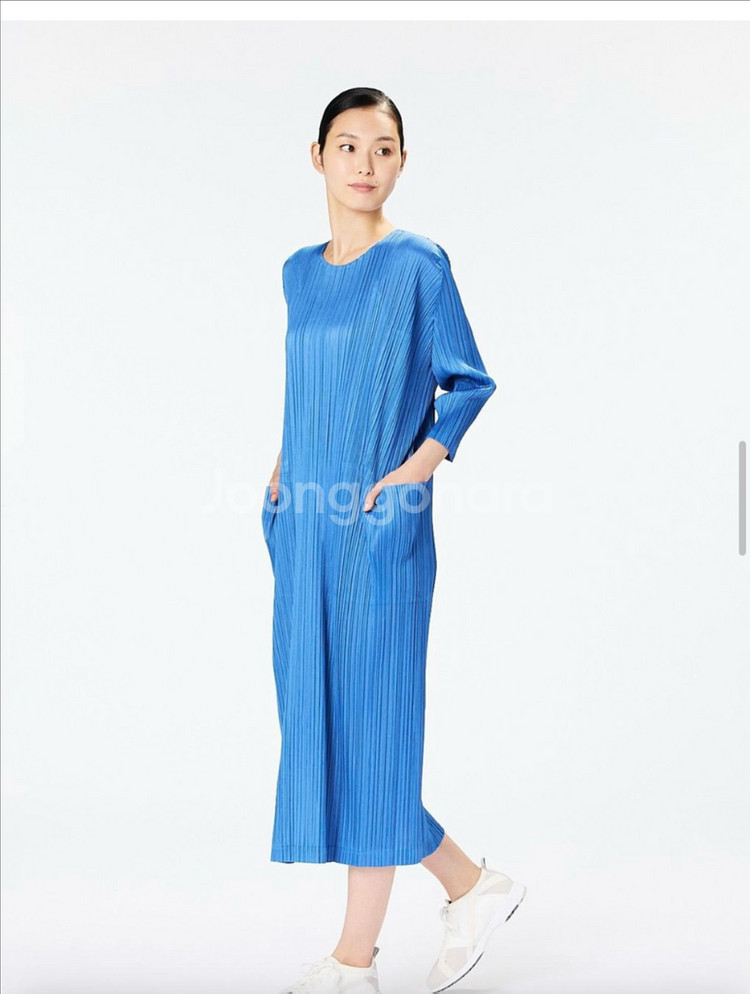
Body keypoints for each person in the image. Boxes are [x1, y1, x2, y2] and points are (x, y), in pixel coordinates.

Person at [261, 87, 526, 994]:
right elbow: (308, 381)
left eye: (383, 148)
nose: (365, 164)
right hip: (305, 532)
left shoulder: (419, 264)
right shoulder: (298, 273)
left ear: (402, 163)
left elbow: (468, 381)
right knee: (327, 735)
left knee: (373, 734)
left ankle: (354, 961)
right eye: (348, 145)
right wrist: (282, 467)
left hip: (378, 534)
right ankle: (473, 886)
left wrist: (416, 472)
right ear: (318, 156)